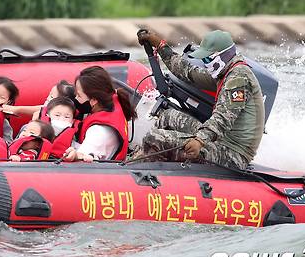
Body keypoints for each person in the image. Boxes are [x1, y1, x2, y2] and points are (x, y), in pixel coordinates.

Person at [137, 30, 264, 169]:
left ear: (220, 56)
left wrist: (199, 140)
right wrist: (160, 45)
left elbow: (222, 118)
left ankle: (141, 168)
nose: (205, 63)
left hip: (232, 154)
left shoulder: (239, 78)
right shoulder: (224, 72)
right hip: (219, 140)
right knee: (167, 116)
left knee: (155, 138)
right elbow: (187, 71)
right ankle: (144, 157)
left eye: (207, 59)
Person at [63, 66, 137, 162]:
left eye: (79, 95)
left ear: (94, 100)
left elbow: (81, 161)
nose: (76, 99)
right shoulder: (112, 102)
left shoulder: (99, 132)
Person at [0, 80, 75, 120]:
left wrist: (16, 109)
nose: (47, 98)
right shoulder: (46, 110)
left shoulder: (60, 120)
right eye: (49, 95)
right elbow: (43, 107)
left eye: (51, 97)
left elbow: (44, 108)